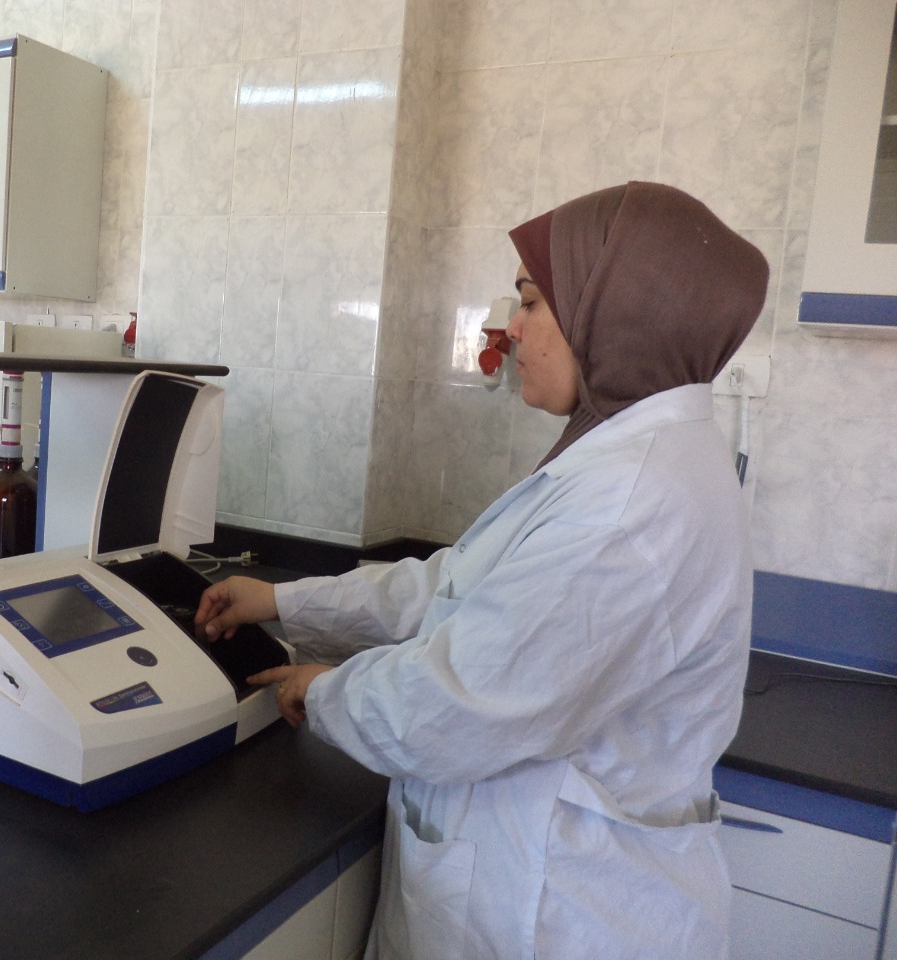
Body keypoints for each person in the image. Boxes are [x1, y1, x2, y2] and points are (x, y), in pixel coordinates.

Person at [194, 181, 769, 959]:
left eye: (530, 302)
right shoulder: (632, 457)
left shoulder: (630, 503)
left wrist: (324, 691)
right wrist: (286, 602)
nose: (512, 327)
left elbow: (463, 704)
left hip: (556, 915)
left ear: (614, 314)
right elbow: (458, 586)